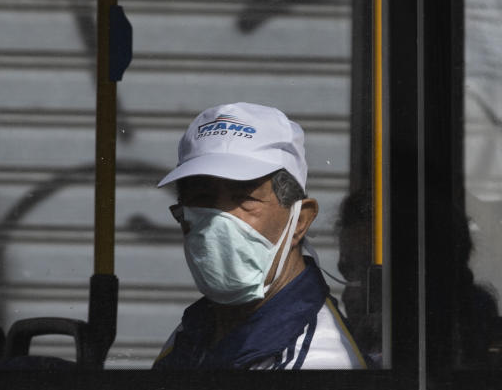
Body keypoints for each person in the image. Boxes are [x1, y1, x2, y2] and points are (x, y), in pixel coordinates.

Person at [152, 102, 366, 370]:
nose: (219, 220)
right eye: (202, 199)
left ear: (299, 220)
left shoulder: (318, 365)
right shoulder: (195, 331)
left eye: (244, 199)